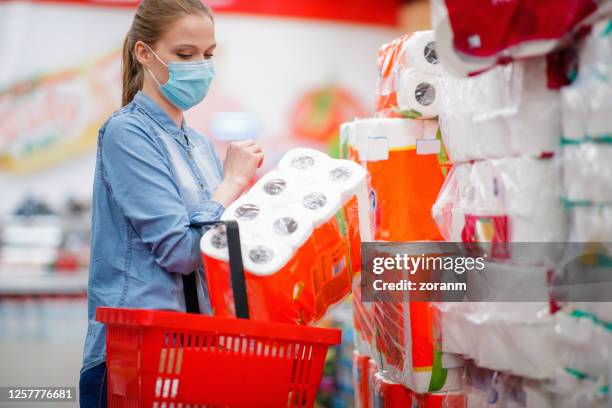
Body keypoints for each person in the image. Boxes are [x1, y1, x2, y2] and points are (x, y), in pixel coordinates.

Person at [79, 1, 263, 406]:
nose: (200, 66)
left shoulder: (197, 145)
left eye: (208, 55)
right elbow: (180, 251)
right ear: (144, 53)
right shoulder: (126, 133)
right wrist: (231, 184)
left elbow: (214, 249)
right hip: (135, 350)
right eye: (184, 55)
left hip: (192, 343)